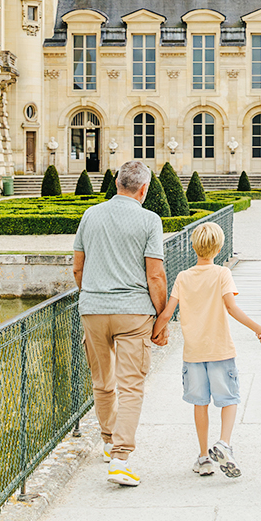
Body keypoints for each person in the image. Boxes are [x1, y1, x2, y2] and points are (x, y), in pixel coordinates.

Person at [72, 159, 168, 487]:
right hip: (133, 313)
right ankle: (121, 457)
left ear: (116, 184)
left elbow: (78, 268)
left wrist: (93, 297)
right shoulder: (149, 220)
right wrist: (162, 318)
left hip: (94, 310)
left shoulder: (90, 215)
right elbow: (155, 275)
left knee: (102, 383)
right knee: (131, 387)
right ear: (144, 189)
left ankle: (108, 441)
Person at [156, 221, 261, 478]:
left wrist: (154, 332)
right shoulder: (222, 273)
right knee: (229, 399)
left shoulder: (183, 277)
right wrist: (258, 328)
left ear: (194, 247)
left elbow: (167, 313)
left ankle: (203, 457)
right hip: (220, 349)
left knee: (200, 404)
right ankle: (224, 443)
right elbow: (231, 308)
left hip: (194, 352)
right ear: (218, 248)